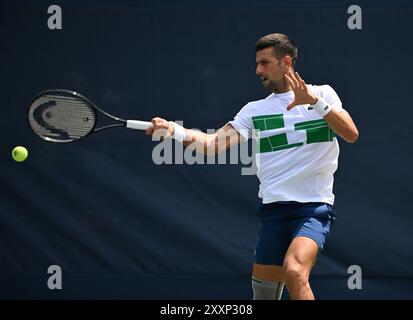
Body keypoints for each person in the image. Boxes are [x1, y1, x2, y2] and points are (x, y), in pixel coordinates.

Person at [145, 33, 359, 300]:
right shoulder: (254, 111)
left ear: (286, 62)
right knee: (263, 294)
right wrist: (173, 130)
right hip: (273, 213)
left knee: (294, 270)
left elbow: (351, 134)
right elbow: (212, 144)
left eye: (264, 63)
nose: (258, 70)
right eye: (257, 63)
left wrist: (315, 103)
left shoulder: (323, 94)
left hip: (312, 209)